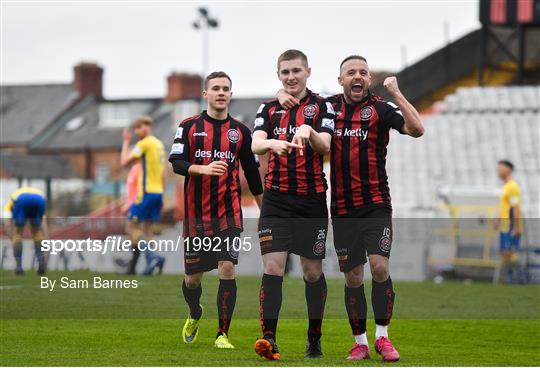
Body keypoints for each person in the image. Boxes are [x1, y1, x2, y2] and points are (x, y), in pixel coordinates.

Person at [278, 55, 424, 361]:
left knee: (380, 267)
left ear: (368, 79)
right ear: (340, 79)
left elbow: (417, 129)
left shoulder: (381, 109)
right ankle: (360, 342)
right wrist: (282, 95)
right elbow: (296, 97)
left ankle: (383, 337)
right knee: (353, 278)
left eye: (363, 72)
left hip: (375, 204)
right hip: (342, 208)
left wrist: (397, 93)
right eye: (350, 72)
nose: (357, 76)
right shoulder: (328, 107)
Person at [169, 71, 263, 349]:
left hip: (229, 213)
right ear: (206, 94)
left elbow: (253, 173)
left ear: (230, 95)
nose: (221, 92)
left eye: (226, 89)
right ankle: (195, 312)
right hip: (197, 216)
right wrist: (203, 169)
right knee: (192, 279)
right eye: (216, 88)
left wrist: (264, 211)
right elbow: (176, 162)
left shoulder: (241, 132)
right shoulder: (188, 127)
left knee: (227, 268)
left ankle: (222, 334)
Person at [251, 49, 335, 360]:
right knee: (273, 267)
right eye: (285, 72)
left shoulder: (322, 106)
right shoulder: (269, 108)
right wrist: (272, 143)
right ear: (278, 75)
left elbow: (326, 145)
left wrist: (308, 131)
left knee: (312, 273)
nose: (291, 77)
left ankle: (314, 337)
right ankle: (268, 339)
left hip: (311, 201)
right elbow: (255, 143)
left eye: (296, 71)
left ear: (308, 72)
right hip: (276, 200)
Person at [121, 116, 166, 276]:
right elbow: (164, 173)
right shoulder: (159, 144)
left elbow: (125, 162)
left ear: (145, 127)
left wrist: (126, 142)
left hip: (146, 192)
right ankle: (152, 263)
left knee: (131, 226)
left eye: (137, 128)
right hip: (158, 193)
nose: (136, 132)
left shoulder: (145, 143)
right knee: (147, 230)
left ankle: (152, 257)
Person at [494, 160, 526, 284]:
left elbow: (515, 207)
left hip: (511, 224)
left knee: (509, 252)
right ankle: (511, 279)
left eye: (501, 167)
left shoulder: (512, 186)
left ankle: (520, 278)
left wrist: (516, 226)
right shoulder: (505, 186)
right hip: (505, 224)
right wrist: (498, 220)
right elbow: (505, 207)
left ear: (509, 169)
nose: (498, 170)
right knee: (505, 253)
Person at [3, 187, 48, 275]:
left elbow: (7, 224)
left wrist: (12, 239)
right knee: (36, 232)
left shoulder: (9, 205)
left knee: (18, 233)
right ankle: (41, 263)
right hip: (40, 199)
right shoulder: (38, 195)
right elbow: (44, 224)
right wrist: (46, 239)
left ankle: (18, 268)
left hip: (21, 199)